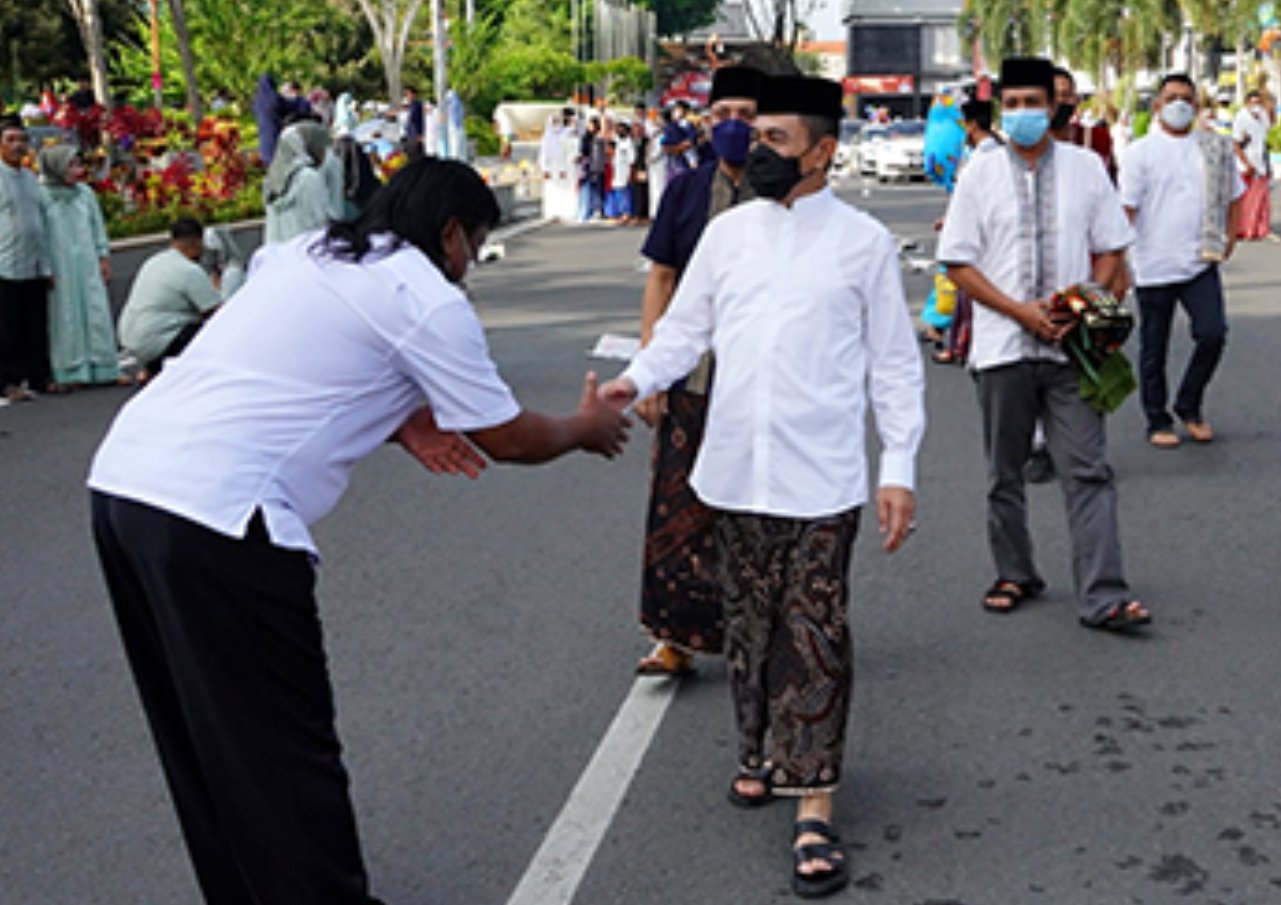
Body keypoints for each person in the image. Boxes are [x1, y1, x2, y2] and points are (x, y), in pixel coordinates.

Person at [88, 157, 629, 905]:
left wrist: (397, 422)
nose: (469, 265)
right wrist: (583, 426)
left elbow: (289, 366)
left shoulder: (305, 251)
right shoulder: (423, 297)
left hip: (125, 483)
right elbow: (505, 436)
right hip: (220, 514)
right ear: (447, 234)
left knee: (199, 730)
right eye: (472, 245)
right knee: (284, 742)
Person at [602, 74, 925, 899]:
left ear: (822, 151)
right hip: (734, 472)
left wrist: (897, 468)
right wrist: (632, 379)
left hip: (822, 481)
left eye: (776, 140)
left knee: (813, 631)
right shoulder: (730, 234)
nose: (757, 152)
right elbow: (686, 330)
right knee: (748, 627)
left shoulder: (861, 243)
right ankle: (755, 747)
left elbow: (893, 363)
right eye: (755, 139)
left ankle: (812, 801)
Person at [938, 56, 1150, 631]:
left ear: (1054, 106)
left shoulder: (1086, 168)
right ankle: (1015, 572)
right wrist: (1020, 313)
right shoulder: (978, 172)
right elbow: (957, 261)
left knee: (1088, 470)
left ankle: (1104, 594)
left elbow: (1111, 248)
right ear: (1001, 108)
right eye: (1014, 104)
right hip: (1003, 347)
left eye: (1035, 103)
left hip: (1069, 349)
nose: (1024, 113)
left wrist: (1079, 303)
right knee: (1004, 473)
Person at [631, 65, 763, 677]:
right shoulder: (685, 192)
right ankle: (673, 638)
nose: (733, 128)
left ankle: (761, 626)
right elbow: (661, 278)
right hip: (694, 378)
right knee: (676, 509)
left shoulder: (783, 192)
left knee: (760, 510)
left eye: (745, 116)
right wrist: (650, 370)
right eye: (722, 117)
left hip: (765, 381)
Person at [1119, 74, 1243, 448]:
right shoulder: (1140, 152)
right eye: (1171, 97)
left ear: (1197, 106)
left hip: (1199, 260)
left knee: (1213, 334)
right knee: (1153, 348)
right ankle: (1157, 420)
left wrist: (1231, 236)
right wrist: (1118, 262)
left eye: (1186, 98)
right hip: (1153, 263)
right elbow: (1126, 209)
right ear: (1157, 105)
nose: (1179, 105)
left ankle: (1189, 404)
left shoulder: (1213, 149)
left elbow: (1234, 196)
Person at [37, 144, 121, 388]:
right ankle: (71, 371)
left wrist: (103, 256)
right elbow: (39, 235)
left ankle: (103, 367)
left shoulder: (84, 194)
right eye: (72, 165)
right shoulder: (42, 196)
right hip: (59, 263)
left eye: (78, 164)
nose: (78, 170)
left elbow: (97, 227)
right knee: (66, 315)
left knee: (95, 310)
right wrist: (45, 267)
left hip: (87, 262)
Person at [117, 218, 221, 378]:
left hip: (129, 338)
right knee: (208, 331)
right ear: (198, 242)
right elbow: (216, 312)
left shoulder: (154, 261)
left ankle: (151, 368)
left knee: (174, 323)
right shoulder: (190, 270)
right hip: (158, 339)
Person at [0, 115, 53, 402]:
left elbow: (40, 222)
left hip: (33, 262)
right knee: (9, 327)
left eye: (22, 140)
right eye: (10, 140)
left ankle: (39, 377)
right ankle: (8, 381)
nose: (17, 146)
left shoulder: (32, 179)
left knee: (36, 325)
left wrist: (46, 265)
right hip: (5, 263)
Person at [263, 120, 333, 244]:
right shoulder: (309, 178)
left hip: (276, 256)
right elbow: (322, 223)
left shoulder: (271, 181)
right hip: (306, 254)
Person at [1232, 90, 1276, 241]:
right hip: (1245, 163)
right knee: (1245, 199)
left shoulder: (1263, 115)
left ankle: (1261, 229)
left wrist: (1271, 105)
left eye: (1258, 102)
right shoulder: (1241, 117)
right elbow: (1236, 144)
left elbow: (1269, 126)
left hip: (1260, 162)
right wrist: (1246, 163)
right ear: (1247, 103)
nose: (1255, 106)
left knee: (1261, 199)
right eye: (1253, 103)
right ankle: (1242, 229)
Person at [539, 108, 580, 222]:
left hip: (563, 168)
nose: (555, 124)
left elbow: (566, 153)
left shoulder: (564, 135)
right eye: (553, 122)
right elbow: (543, 154)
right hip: (550, 168)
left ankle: (565, 212)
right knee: (551, 190)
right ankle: (551, 212)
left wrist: (563, 169)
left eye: (557, 121)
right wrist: (544, 169)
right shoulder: (546, 137)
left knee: (564, 190)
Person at [253, 75, 284, 165]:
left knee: (267, 151)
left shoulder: (257, 101)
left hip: (263, 130)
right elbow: (287, 106)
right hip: (276, 129)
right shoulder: (275, 97)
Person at [400, 86, 425, 158]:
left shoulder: (417, 105)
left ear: (413, 94)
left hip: (415, 135)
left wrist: (420, 135)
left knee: (416, 156)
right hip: (409, 135)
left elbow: (416, 119)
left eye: (407, 94)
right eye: (405, 95)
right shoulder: (410, 106)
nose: (406, 97)